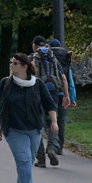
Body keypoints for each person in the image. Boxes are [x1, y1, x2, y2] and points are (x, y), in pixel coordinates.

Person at [0, 52, 58, 183]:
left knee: (27, 161)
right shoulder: (6, 83)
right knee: (24, 159)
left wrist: (54, 122)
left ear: (24, 66)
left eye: (15, 63)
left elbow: (49, 104)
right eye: (11, 62)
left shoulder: (37, 84)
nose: (11, 65)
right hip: (13, 129)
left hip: (35, 128)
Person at [30, 36, 69, 167]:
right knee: (53, 121)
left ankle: (40, 158)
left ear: (34, 46)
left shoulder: (32, 59)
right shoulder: (53, 58)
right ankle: (52, 148)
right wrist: (66, 95)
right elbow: (63, 78)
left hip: (36, 95)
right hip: (53, 94)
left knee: (37, 126)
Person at [48, 39, 77, 152]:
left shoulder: (48, 59)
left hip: (51, 93)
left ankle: (53, 145)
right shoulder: (65, 61)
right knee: (61, 120)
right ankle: (60, 146)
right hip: (63, 94)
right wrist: (72, 98)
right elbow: (70, 81)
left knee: (52, 119)